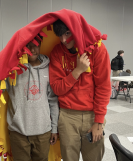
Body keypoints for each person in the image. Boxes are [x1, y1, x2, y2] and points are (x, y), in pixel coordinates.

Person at [47, 16, 111, 161]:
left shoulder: (97, 49)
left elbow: (104, 87)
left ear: (77, 30)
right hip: (67, 117)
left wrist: (99, 121)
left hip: (92, 116)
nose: (64, 40)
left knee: (94, 158)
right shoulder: (57, 52)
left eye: (68, 33)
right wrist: (78, 71)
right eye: (60, 35)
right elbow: (57, 88)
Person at [6, 35, 60, 161]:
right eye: (28, 45)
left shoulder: (49, 68)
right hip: (18, 131)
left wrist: (54, 128)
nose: (32, 49)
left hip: (43, 132)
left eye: (36, 45)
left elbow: (53, 101)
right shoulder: (13, 69)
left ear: (40, 45)